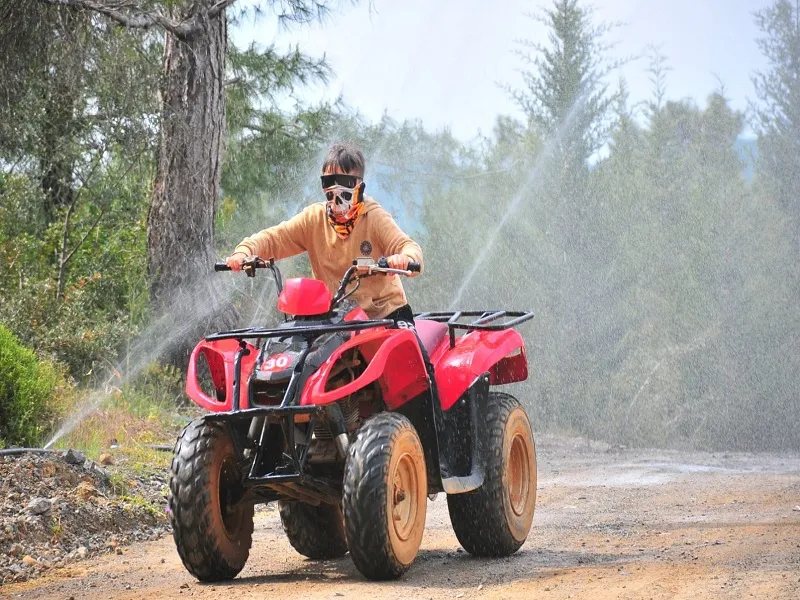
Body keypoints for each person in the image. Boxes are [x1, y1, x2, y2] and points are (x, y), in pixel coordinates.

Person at [225, 142, 423, 327]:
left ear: (359, 185)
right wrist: (244, 251)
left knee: (406, 351)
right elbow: (275, 238)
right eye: (329, 181)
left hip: (385, 315)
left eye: (345, 182)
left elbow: (409, 247)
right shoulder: (314, 218)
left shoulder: (375, 217)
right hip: (336, 319)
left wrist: (404, 258)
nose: (336, 189)